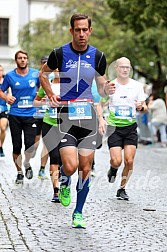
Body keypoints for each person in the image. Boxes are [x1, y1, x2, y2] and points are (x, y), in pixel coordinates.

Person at [39, 13, 115, 228]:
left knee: (85, 168)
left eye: (85, 30)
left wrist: (106, 89)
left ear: (90, 31)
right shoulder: (59, 53)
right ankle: (64, 180)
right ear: (71, 30)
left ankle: (78, 212)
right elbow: (43, 75)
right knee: (70, 167)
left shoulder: (98, 56)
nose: (81, 34)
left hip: (88, 117)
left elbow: (100, 87)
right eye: (77, 30)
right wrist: (50, 94)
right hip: (66, 115)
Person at [98, 57, 146, 201]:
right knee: (116, 161)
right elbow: (100, 104)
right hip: (114, 128)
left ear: (130, 69)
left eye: (127, 67)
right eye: (122, 67)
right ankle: (113, 169)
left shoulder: (137, 86)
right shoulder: (111, 86)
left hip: (130, 127)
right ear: (116, 69)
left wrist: (141, 107)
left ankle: (122, 188)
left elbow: (144, 107)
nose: (125, 69)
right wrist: (101, 119)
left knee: (129, 161)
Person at [0, 50, 40, 184]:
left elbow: (43, 87)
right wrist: (6, 97)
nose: (22, 60)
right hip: (15, 115)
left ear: (27, 60)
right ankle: (19, 173)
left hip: (31, 114)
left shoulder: (35, 74)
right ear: (16, 60)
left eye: (24, 58)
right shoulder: (10, 76)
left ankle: (27, 163)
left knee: (30, 146)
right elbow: (1, 89)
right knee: (16, 146)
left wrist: (40, 98)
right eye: (20, 58)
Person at [34, 68, 61, 203]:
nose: (58, 70)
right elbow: (36, 102)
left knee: (65, 159)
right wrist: (43, 102)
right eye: (55, 68)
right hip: (49, 123)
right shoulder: (47, 84)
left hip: (66, 126)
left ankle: (62, 178)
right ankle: (56, 191)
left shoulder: (71, 86)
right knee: (54, 156)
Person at [33, 56, 50, 179]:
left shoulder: (55, 80)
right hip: (36, 114)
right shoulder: (35, 77)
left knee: (47, 144)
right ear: (41, 65)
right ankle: (30, 155)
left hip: (49, 116)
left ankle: (42, 169)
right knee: (34, 143)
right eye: (44, 63)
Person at [0, 65, 10, 157]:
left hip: (3, 108)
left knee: (3, 128)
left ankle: (1, 146)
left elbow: (9, 94)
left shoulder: (5, 82)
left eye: (1, 70)